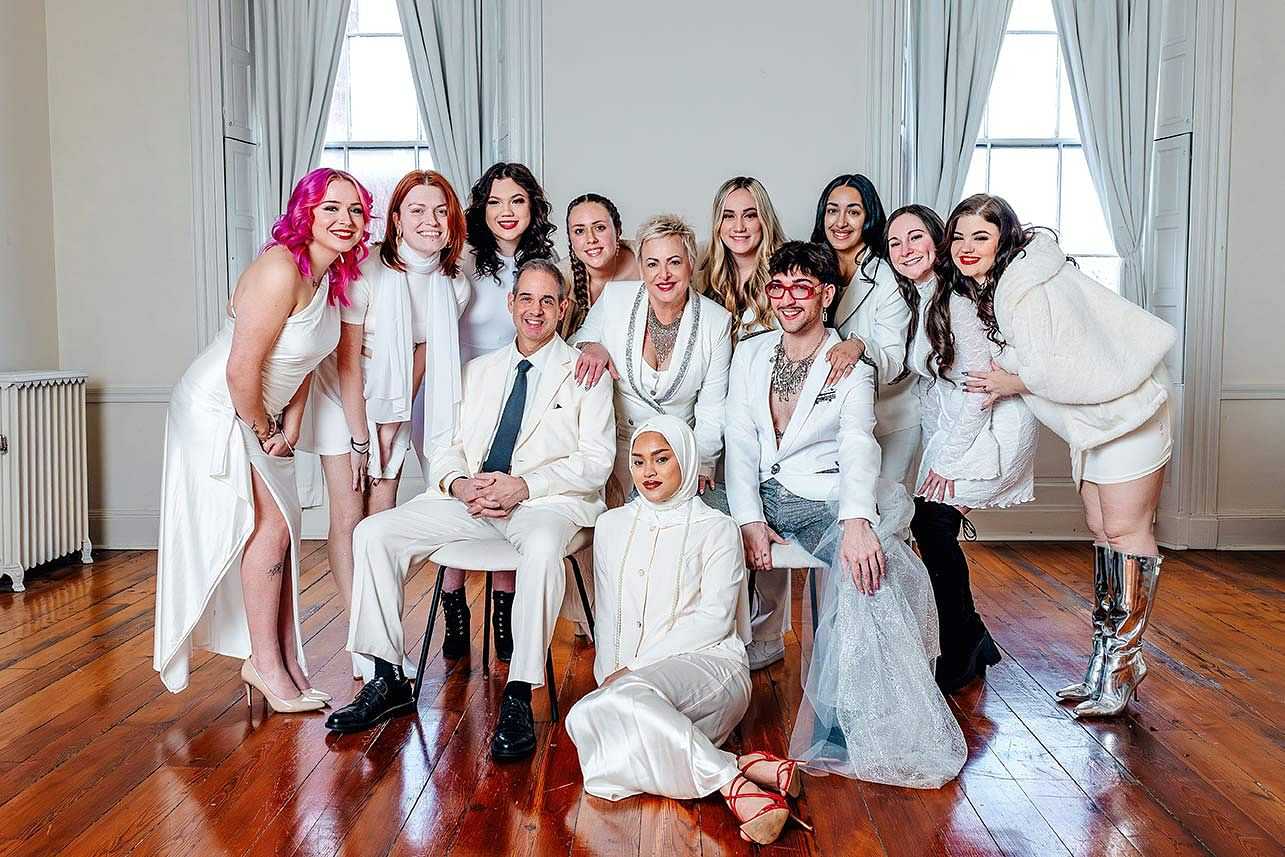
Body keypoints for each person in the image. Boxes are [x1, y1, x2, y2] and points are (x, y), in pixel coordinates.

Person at [325, 260, 615, 762]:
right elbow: (445, 445)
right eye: (527, 298)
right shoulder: (477, 372)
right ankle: (386, 675)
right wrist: (459, 484)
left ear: (564, 309)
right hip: (474, 499)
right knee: (373, 532)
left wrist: (523, 486)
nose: (536, 310)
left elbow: (595, 462)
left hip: (544, 503)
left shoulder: (585, 373)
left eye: (548, 301)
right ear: (511, 303)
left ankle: (521, 693)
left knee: (544, 547)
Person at [153, 168, 372, 712]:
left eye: (355, 210)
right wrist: (265, 428)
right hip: (218, 408)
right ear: (306, 213)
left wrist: (291, 425)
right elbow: (239, 370)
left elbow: (301, 360)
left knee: (286, 531)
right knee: (270, 528)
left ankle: (286, 662)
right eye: (330, 208)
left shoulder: (330, 278)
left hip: (261, 410)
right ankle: (265, 665)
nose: (344, 220)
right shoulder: (280, 269)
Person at [955, 194, 1175, 718]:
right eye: (958, 237)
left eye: (980, 237)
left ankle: (1120, 671)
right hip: (1097, 421)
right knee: (1104, 531)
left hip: (1127, 412)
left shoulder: (1025, 289)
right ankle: (1108, 667)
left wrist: (1011, 381)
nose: (966, 248)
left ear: (1003, 239)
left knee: (1125, 532)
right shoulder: (1006, 285)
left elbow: (1065, 364)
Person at [566, 416, 808, 847]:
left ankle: (734, 788)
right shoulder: (611, 526)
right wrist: (613, 675)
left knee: (605, 719)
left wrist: (631, 673)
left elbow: (713, 622)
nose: (649, 472)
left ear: (687, 461)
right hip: (632, 683)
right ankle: (739, 767)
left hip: (711, 667)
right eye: (638, 461)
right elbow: (609, 615)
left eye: (662, 459)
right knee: (584, 713)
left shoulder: (717, 528)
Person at [297, 169, 469, 682]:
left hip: (395, 404)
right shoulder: (366, 272)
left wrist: (392, 426)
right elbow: (348, 363)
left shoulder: (453, 286)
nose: (429, 221)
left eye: (439, 211)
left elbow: (423, 355)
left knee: (382, 521)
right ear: (396, 219)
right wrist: (360, 437)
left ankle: (384, 633)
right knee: (350, 516)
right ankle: (361, 642)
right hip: (343, 399)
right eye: (416, 210)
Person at [888, 204, 1037, 692]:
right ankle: (972, 636)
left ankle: (961, 645)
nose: (906, 250)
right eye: (895, 243)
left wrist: (949, 460)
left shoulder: (956, 303)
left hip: (982, 433)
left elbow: (977, 388)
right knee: (933, 531)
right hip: (951, 431)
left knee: (932, 528)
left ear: (937, 240)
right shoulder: (929, 297)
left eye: (916, 238)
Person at [435, 162, 559, 664]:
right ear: (480, 209)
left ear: (532, 207)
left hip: (521, 399)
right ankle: (455, 614)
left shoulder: (546, 261)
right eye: (495, 202)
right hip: (464, 399)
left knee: (510, 503)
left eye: (517, 201)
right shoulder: (461, 259)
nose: (506, 213)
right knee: (460, 503)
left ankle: (504, 617)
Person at [572, 213, 734, 500]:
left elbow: (712, 410)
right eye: (652, 264)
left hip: (677, 456)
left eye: (674, 262)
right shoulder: (614, 298)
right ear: (641, 268)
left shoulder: (716, 321)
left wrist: (701, 465)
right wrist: (589, 347)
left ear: (690, 264)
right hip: (617, 449)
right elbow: (576, 346)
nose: (664, 275)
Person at [811, 174, 919, 482]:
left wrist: (859, 345)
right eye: (833, 210)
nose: (841, 222)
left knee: (884, 514)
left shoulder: (887, 276)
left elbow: (894, 361)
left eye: (853, 211)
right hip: (831, 419)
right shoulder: (812, 267)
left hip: (889, 416)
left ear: (869, 218)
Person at [557, 192, 640, 340]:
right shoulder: (559, 278)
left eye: (600, 228)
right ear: (570, 239)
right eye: (579, 231)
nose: (591, 239)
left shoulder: (648, 261)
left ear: (618, 230)